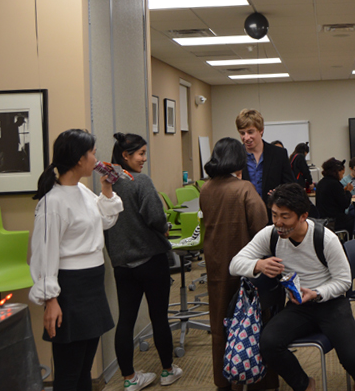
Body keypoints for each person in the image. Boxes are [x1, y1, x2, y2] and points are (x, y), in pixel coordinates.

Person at [229, 185, 355, 391]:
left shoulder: (325, 238)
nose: (278, 223)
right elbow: (234, 264)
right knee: (269, 344)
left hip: (331, 303)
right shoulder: (270, 235)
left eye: (285, 217)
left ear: (303, 216)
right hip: (298, 306)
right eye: (274, 215)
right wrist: (257, 265)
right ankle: (304, 384)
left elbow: (344, 281)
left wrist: (317, 293)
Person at [28, 129, 124, 391]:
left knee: (84, 369)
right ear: (80, 159)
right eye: (93, 152)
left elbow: (104, 220)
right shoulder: (53, 203)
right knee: (69, 374)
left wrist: (106, 189)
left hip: (91, 283)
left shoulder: (81, 191)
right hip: (70, 289)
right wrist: (51, 300)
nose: (96, 158)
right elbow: (43, 253)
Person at [104, 133, 182, 389]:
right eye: (140, 154)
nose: (144, 159)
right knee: (159, 316)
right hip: (151, 260)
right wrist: (165, 227)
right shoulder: (140, 181)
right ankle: (168, 371)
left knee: (125, 319)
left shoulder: (107, 185)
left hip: (122, 265)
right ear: (125, 156)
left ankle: (128, 379)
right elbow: (156, 219)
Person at [198, 137, 269, 390]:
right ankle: (258, 378)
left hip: (216, 265)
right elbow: (261, 230)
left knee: (220, 324)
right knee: (251, 322)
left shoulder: (206, 189)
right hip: (246, 268)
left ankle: (224, 380)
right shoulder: (245, 189)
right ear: (238, 160)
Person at [237, 108, 296, 219]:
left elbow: (291, 186)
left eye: (250, 132)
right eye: (242, 133)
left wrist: (279, 193)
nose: (246, 138)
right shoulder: (235, 156)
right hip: (245, 218)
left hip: (273, 217)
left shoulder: (279, 154)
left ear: (261, 130)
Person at [315, 157, 354, 236]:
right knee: (354, 219)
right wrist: (348, 192)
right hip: (334, 220)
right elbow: (345, 204)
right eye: (342, 173)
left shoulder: (321, 183)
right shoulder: (335, 184)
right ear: (337, 172)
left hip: (322, 219)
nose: (342, 177)